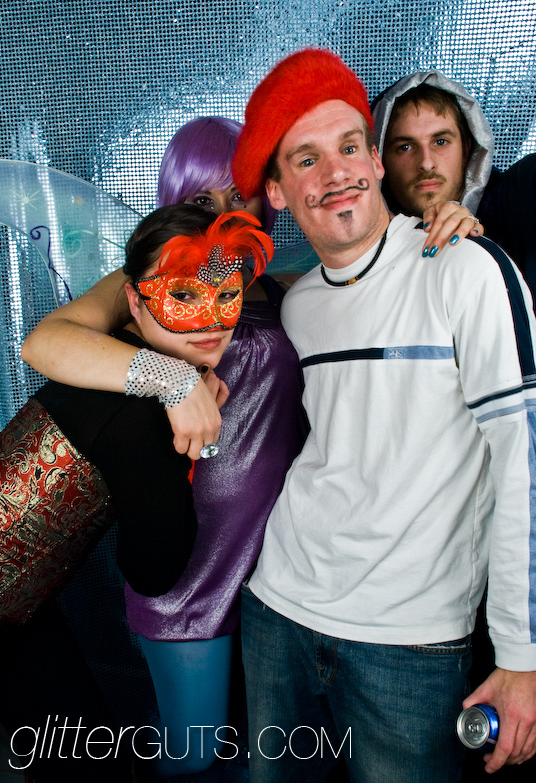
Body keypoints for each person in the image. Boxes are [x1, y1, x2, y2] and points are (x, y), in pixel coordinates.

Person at [228, 47, 536, 783]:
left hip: (411, 645)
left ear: (373, 158)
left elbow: (526, 462)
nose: (336, 173)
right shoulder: (297, 305)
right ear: (277, 191)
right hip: (276, 610)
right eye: (306, 160)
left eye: (348, 147)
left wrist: (524, 656)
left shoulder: (467, 269)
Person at [22, 117, 308, 781]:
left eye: (237, 195)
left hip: (278, 571)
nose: (223, 213)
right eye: (203, 199)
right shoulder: (146, 285)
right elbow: (44, 343)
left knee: (268, 749)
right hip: (190, 570)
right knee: (194, 754)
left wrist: (449, 232)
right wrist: (171, 378)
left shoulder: (284, 284)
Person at [372, 70, 536, 295]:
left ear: (467, 149)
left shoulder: (519, 195)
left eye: (440, 141)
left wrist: (478, 238)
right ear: (380, 159)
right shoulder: (367, 251)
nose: (426, 163)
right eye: (405, 147)